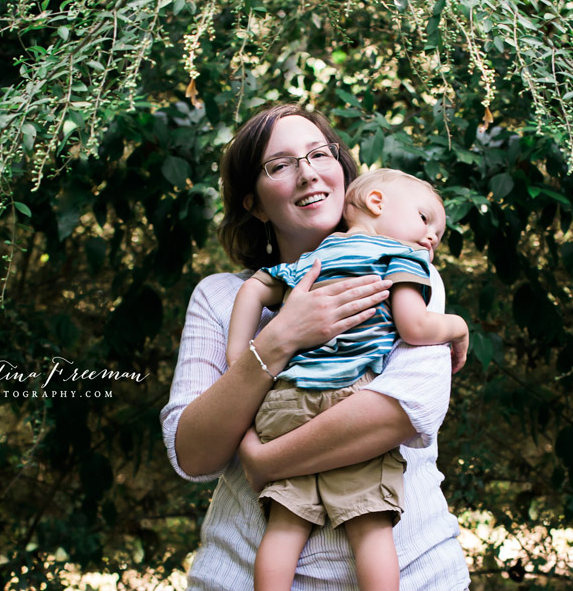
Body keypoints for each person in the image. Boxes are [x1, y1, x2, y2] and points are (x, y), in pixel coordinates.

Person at [160, 103, 471, 590]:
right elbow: (195, 454)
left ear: (344, 171)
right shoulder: (218, 297)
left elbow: (404, 410)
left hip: (416, 571)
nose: (307, 174)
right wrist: (277, 342)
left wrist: (264, 460)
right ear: (255, 204)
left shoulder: (408, 270)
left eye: (319, 154)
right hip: (239, 573)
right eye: (279, 165)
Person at [225, 168, 469, 590]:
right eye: (427, 219)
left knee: (284, 528)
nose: (432, 238)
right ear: (376, 203)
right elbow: (413, 327)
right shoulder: (402, 259)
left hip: (286, 400)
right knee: (370, 527)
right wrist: (457, 326)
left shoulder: (315, 260)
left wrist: (241, 362)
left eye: (438, 235)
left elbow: (252, 290)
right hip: (350, 398)